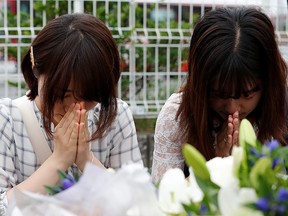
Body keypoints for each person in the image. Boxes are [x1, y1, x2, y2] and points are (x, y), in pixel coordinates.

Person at [0, 13, 143, 213]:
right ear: (35, 67)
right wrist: (59, 160)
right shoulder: (6, 118)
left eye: (89, 97)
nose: (75, 107)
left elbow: (137, 205)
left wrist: (86, 159)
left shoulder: (117, 117)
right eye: (61, 94)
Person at [151, 7, 288, 183]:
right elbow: (164, 197)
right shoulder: (177, 116)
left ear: (268, 82)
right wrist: (217, 164)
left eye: (246, 95)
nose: (232, 107)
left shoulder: (283, 110)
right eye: (218, 94)